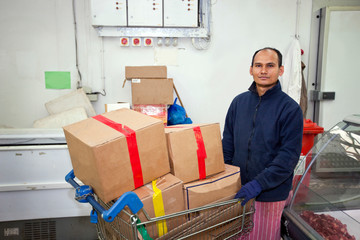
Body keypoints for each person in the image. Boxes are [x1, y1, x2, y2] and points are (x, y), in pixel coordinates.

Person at [222, 47, 303, 240]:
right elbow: (228, 144)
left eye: (270, 66)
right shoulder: (238, 103)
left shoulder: (290, 109)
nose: (263, 71)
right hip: (238, 191)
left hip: (270, 194)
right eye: (258, 65)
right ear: (251, 70)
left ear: (280, 70)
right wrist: (226, 180)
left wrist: (258, 184)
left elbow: (288, 158)